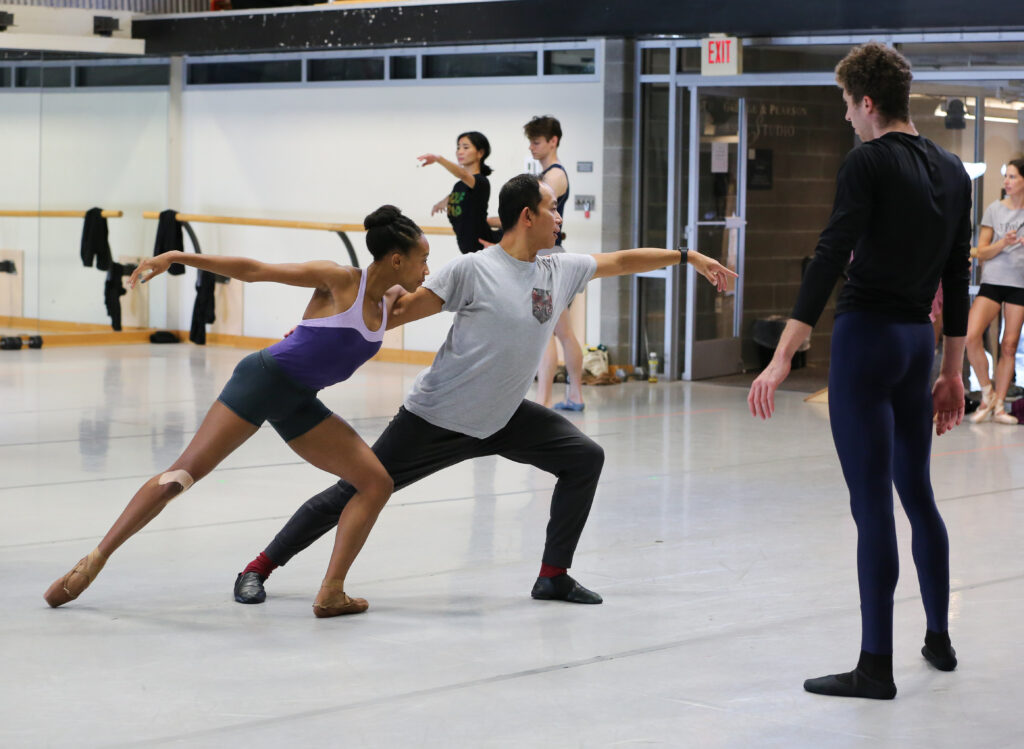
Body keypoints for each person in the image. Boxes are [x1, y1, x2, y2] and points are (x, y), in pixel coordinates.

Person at [232, 173, 737, 608]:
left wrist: (688, 256)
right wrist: (315, 333)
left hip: (503, 417)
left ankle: (553, 577)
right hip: (436, 418)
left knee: (584, 457)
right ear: (526, 216)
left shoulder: (559, 269)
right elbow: (399, 312)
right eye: (552, 209)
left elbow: (622, 261)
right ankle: (259, 566)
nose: (559, 217)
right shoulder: (472, 269)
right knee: (354, 491)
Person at [44, 206, 431, 618]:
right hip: (262, 379)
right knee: (182, 475)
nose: (427, 269)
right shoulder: (339, 280)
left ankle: (331, 592)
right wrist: (176, 257)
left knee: (375, 482)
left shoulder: (391, 302)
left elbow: (451, 291)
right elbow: (255, 269)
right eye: (423, 259)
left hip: (300, 400)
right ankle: (94, 560)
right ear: (396, 259)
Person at [747, 42, 969, 699]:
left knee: (870, 502)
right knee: (917, 494)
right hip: (916, 345)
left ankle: (875, 665)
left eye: (847, 105)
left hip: (868, 339)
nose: (846, 117)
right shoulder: (953, 170)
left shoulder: (866, 162)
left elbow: (830, 250)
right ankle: (938, 637)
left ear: (867, 102)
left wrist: (786, 348)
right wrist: (952, 371)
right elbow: (957, 278)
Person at [520, 116, 587, 411]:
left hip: (549, 259)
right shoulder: (549, 175)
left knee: (544, 329)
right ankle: (574, 395)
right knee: (562, 331)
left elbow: (532, 214)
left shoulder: (554, 177)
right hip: (553, 257)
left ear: (552, 141)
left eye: (537, 142)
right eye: (531, 142)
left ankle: (544, 399)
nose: (532, 148)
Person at [965, 158, 1024, 424]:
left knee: (1009, 344)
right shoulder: (993, 210)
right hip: (993, 282)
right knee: (971, 335)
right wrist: (1003, 243)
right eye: (1006, 177)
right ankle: (986, 392)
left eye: (1012, 177)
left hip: (1019, 284)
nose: (1007, 182)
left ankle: (1000, 405)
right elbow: (980, 253)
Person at [420, 131, 497, 255]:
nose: (460, 151)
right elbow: (461, 193)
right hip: (468, 251)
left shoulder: (481, 182)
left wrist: (438, 159)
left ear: (480, 153)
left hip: (485, 248)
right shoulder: (459, 185)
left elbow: (463, 174)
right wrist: (443, 202)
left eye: (466, 147)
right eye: (458, 147)